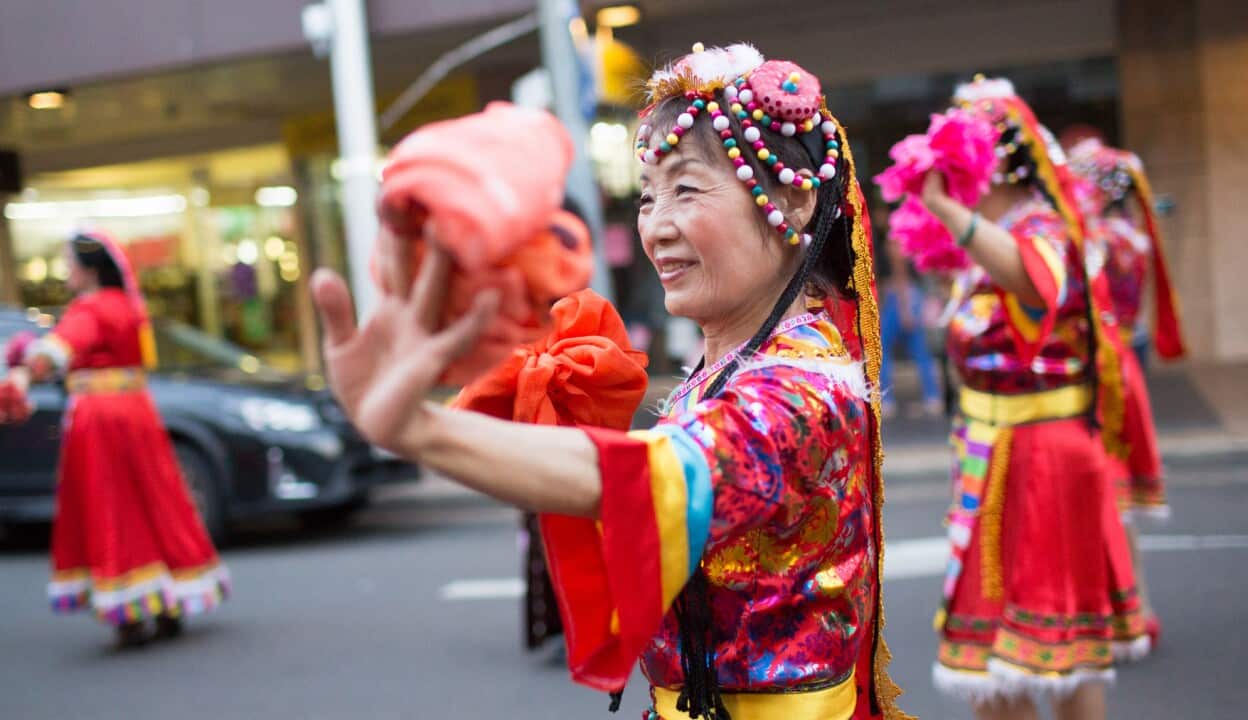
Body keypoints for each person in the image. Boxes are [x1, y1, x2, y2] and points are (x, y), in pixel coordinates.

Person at [309, 43, 909, 720]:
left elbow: (664, 476)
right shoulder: (741, 362)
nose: (655, 228)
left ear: (794, 204)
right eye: (648, 197)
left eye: (686, 189)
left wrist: (422, 430)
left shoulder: (801, 392)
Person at [911, 78, 1147, 719]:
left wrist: (948, 212)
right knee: (992, 660)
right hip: (992, 452)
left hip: (1043, 454)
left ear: (995, 160)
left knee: (1057, 653)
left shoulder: (1040, 225)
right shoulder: (991, 233)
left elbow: (1039, 284)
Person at [0, 230, 229, 648]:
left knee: (112, 506)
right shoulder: (127, 305)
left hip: (100, 420)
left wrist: (23, 369)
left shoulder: (89, 309)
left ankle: (131, 608)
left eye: (70, 262)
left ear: (89, 269)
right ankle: (170, 596)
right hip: (137, 411)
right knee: (157, 499)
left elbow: (60, 350)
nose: (66, 269)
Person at [1069, 138, 1188, 647]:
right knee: (1112, 495)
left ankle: (1111, 609)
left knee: (1100, 494)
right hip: (1119, 358)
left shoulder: (1091, 242)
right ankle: (1135, 603)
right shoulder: (1131, 238)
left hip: (1097, 368)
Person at [871, 202, 943, 418]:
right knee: (920, 350)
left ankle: (888, 400)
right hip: (908, 297)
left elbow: (900, 274)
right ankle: (932, 397)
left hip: (900, 298)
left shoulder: (894, 240)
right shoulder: (904, 238)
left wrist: (904, 309)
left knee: (884, 350)